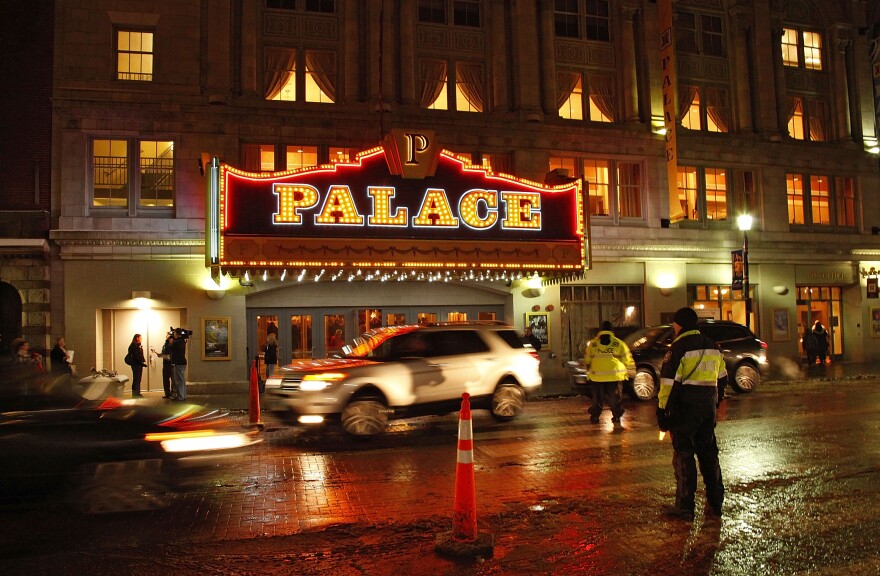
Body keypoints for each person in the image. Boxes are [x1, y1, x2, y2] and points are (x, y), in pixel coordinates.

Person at [656, 307, 728, 521]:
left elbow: (667, 384)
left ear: (679, 325)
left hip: (684, 410)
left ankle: (685, 507)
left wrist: (662, 412)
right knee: (709, 454)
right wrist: (715, 402)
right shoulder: (712, 345)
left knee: (684, 455)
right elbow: (722, 378)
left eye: (674, 324)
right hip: (707, 409)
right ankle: (715, 502)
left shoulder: (678, 348)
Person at [582, 321, 635, 424]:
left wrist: (587, 370)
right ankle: (616, 416)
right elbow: (628, 359)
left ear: (601, 330)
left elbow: (587, 360)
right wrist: (632, 372)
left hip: (597, 377)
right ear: (612, 330)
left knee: (597, 399)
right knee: (615, 398)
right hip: (614, 377)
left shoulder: (593, 344)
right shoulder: (619, 344)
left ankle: (595, 416)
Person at [152, 331, 174, 399]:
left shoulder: (172, 343)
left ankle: (173, 393)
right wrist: (159, 354)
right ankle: (167, 393)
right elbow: (164, 352)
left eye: (167, 335)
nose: (166, 336)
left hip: (171, 364)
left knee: (173, 379)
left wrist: (165, 355)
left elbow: (171, 353)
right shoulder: (165, 344)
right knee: (165, 379)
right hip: (165, 363)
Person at [170, 329, 188, 401]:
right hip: (182, 362)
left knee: (179, 380)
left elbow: (170, 348)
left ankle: (180, 396)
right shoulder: (182, 341)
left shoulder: (177, 342)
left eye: (174, 333)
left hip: (179, 362)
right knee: (182, 379)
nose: (173, 334)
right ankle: (183, 395)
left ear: (176, 333)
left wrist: (169, 341)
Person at [127, 333, 147, 398]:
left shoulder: (138, 345)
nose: (141, 339)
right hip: (136, 365)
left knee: (138, 379)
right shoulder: (133, 346)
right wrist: (141, 363)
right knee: (136, 378)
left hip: (139, 364)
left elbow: (140, 354)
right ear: (137, 338)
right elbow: (136, 356)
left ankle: (137, 392)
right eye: (140, 338)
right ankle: (135, 393)